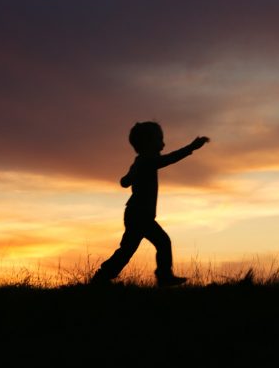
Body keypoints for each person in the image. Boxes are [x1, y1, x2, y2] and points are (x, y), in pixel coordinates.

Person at [90, 121, 210, 286]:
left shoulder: (140, 161)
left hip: (137, 214)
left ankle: (102, 276)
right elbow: (170, 159)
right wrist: (191, 147)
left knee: (129, 249)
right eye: (159, 140)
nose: (163, 144)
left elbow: (125, 181)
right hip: (140, 215)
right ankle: (163, 276)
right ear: (148, 143)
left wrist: (128, 179)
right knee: (160, 243)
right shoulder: (147, 161)